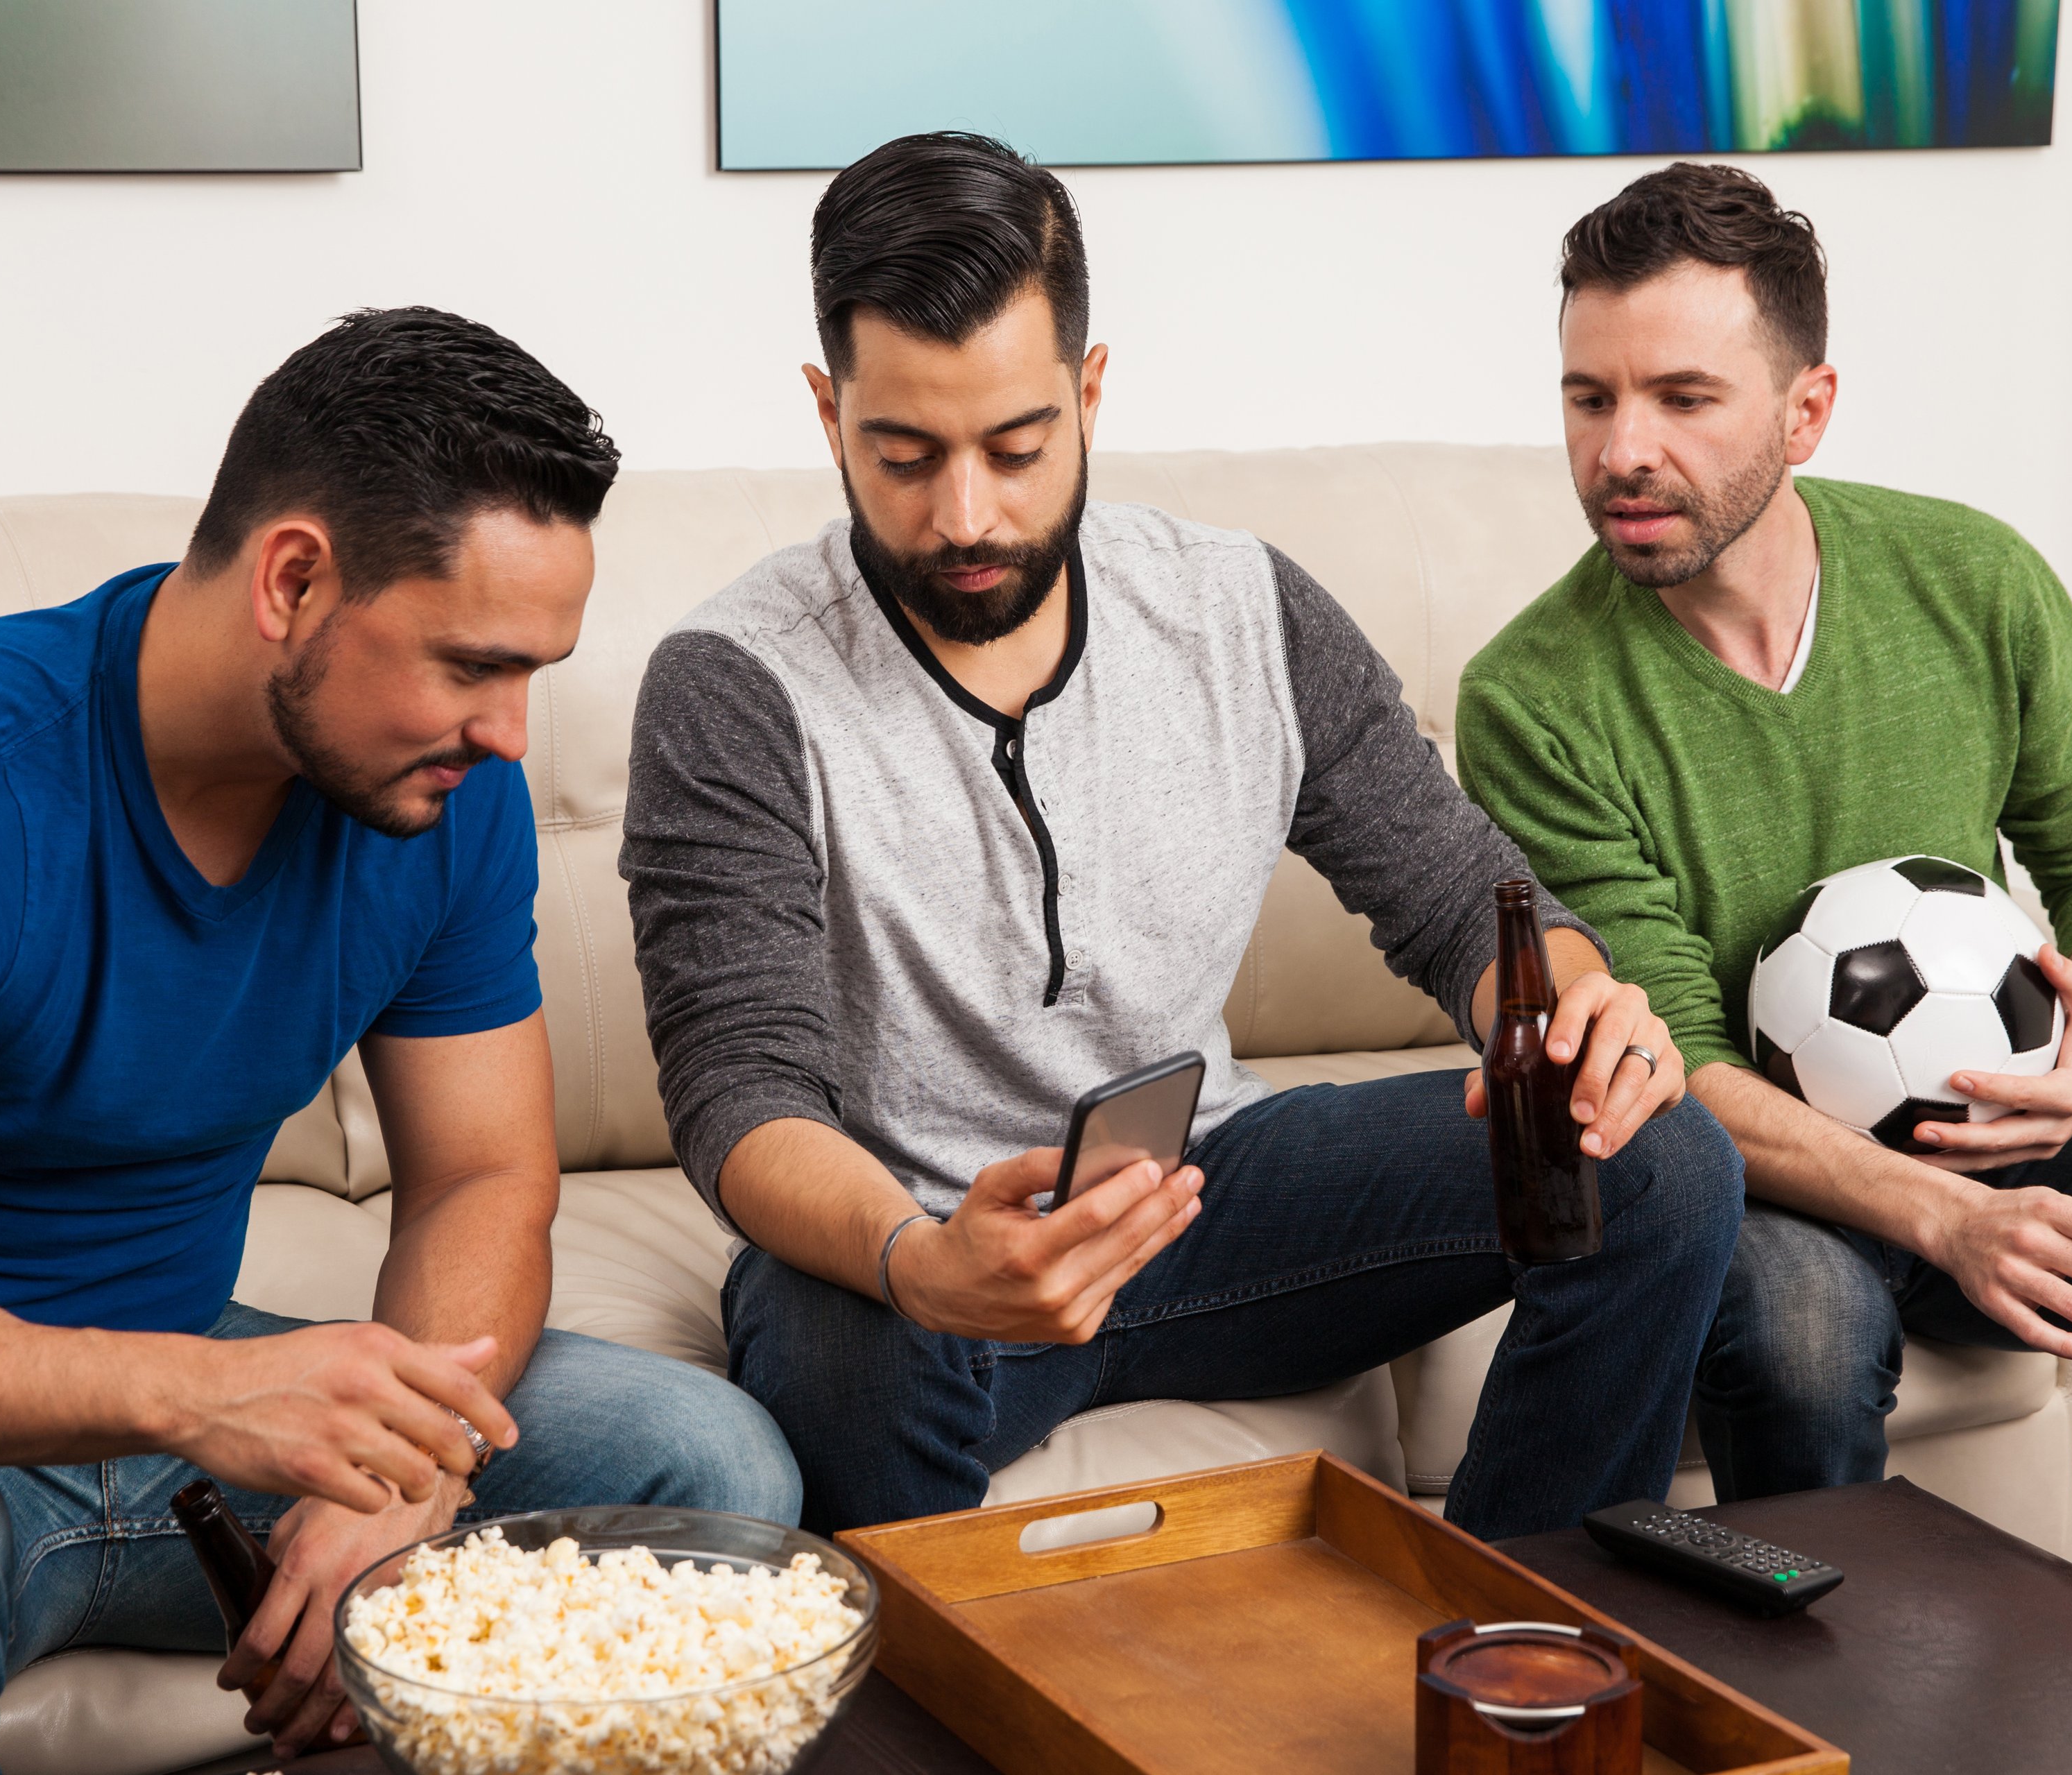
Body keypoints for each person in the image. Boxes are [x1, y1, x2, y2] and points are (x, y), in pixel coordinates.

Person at [622, 132, 1745, 1540]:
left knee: (1664, 1159)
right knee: (846, 1355)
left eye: (1016, 447)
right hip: (913, 1248)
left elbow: (1463, 896)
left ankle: (1509, 1652)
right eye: (902, 454)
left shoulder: (1241, 611)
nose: (964, 514)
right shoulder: (735, 681)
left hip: (1206, 1196)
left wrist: (1574, 1016)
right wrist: (921, 1261)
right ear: (826, 410)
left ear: (1090, 395)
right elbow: (742, 1093)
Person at [0, 308, 799, 1774]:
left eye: (535, 670)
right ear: (294, 579)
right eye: (472, 662)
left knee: (709, 1456)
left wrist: (409, 1466)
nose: (508, 731)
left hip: (193, 1427)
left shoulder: (443, 798)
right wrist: (205, 1391)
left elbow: (485, 1173)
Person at [1455, 163, 2072, 1629]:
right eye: (1589, 398)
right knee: (1803, 1326)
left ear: (1806, 408)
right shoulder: (1532, 696)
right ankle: (1814, 1722)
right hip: (1770, 1178)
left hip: (2013, 1117)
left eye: (1684, 397)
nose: (1623, 450)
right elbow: (1674, 1061)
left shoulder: (1972, 578)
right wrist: (1947, 1218)